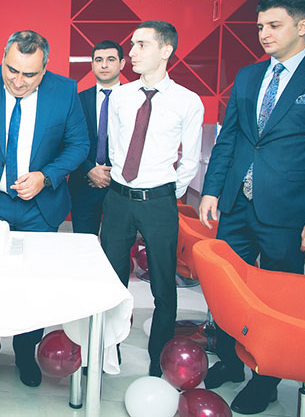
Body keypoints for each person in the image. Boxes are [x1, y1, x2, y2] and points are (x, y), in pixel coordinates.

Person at [198, 0, 305, 415]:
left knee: (276, 301)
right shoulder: (249, 75)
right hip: (237, 205)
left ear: (303, 27)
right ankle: (230, 361)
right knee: (226, 292)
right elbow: (230, 138)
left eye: (274, 26)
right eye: (260, 27)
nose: (264, 34)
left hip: (288, 213)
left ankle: (266, 380)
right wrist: (212, 190)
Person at [0, 30, 89, 390]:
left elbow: (79, 145)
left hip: (39, 207)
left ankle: (26, 352)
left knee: (33, 284)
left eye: (29, 74)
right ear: (2, 59)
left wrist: (47, 176)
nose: (18, 80)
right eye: (11, 70)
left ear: (45, 69)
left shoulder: (65, 91)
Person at [99, 21, 203, 378]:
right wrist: (124, 180)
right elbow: (115, 146)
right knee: (112, 282)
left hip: (159, 201)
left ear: (166, 50)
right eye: (132, 45)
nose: (132, 52)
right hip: (118, 198)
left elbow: (190, 161)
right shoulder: (121, 96)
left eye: (141, 45)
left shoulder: (187, 101)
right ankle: (107, 352)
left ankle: (159, 361)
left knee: (163, 286)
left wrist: (163, 191)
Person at [67, 40, 126, 235]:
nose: (104, 65)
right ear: (92, 64)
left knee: (117, 247)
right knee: (83, 246)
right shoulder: (77, 100)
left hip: (121, 187)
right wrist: (90, 170)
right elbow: (67, 142)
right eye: (98, 60)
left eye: (111, 59)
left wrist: (113, 175)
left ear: (122, 63)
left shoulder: (135, 101)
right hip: (84, 184)